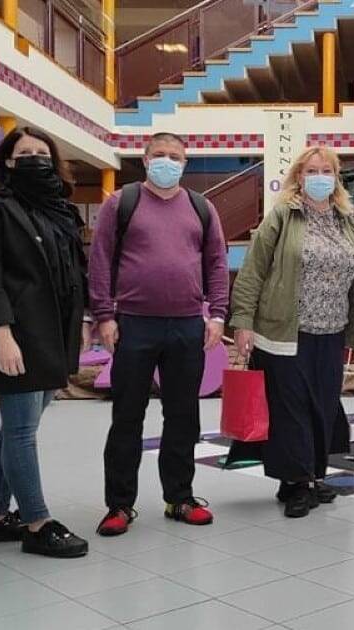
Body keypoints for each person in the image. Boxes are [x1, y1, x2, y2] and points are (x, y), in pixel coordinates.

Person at [231, 146, 354, 518]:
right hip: (284, 331)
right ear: (299, 178)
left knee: (322, 405)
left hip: (331, 332)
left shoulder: (346, 220)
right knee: (292, 408)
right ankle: (298, 483)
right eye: (311, 171)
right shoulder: (283, 215)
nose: (319, 177)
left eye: (326, 171)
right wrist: (243, 321)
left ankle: (310, 476)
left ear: (336, 177)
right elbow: (253, 270)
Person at [89, 132, 229, 534]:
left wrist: (218, 315)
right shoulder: (122, 202)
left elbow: (217, 263)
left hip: (187, 324)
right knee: (127, 416)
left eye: (175, 156)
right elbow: (100, 259)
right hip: (133, 323)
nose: (168, 161)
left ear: (185, 163)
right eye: (160, 155)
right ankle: (119, 505)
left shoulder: (201, 207)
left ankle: (179, 497)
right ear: (146, 159)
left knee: (183, 416)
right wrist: (104, 315)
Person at [0, 126, 89, 558]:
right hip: (16, 333)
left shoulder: (62, 212)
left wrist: (83, 320)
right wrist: (1, 335)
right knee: (21, 432)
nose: (35, 158)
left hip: (54, 333)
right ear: (8, 161)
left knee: (16, 429)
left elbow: (75, 272)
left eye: (42, 152)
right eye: (25, 153)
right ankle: (37, 523)